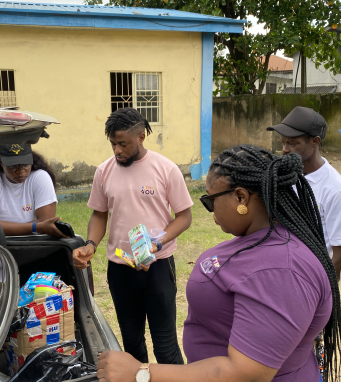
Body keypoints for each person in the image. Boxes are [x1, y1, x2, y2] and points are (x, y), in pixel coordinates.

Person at [96, 145, 341, 382]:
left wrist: (142, 373)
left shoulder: (281, 271)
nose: (212, 214)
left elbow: (247, 373)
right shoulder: (262, 238)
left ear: (241, 197)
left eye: (211, 201)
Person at [72, 108, 193, 364]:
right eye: (113, 144)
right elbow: (99, 215)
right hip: (120, 269)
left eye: (123, 143)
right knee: (131, 342)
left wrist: (157, 243)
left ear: (141, 137)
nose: (117, 150)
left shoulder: (166, 169)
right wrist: (91, 244)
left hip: (158, 267)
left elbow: (184, 217)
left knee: (165, 345)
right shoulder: (104, 171)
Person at [267, 106, 341, 280]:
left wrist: (323, 294)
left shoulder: (334, 188)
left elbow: (338, 256)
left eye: (293, 143)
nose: (285, 149)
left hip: (308, 278)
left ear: (314, 141)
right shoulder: (284, 176)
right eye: (283, 142)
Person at [0, 144, 67, 238]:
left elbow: (46, 221)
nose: (20, 171)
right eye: (12, 166)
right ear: (1, 162)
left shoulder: (40, 177)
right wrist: (37, 227)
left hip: (33, 244)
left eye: (25, 165)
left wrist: (0, 230)